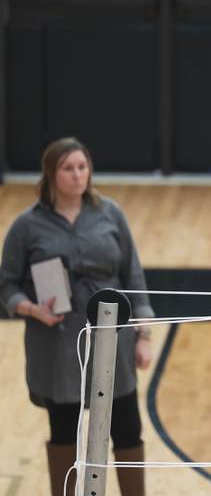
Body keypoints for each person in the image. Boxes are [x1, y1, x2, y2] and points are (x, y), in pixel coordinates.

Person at [0, 138, 155, 496]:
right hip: (57, 347)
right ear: (51, 175)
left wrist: (143, 336)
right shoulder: (27, 226)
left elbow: (133, 276)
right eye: (68, 169)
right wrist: (29, 308)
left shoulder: (110, 213)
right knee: (65, 432)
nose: (77, 176)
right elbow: (7, 284)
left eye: (82, 167)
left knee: (128, 428)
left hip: (113, 342)